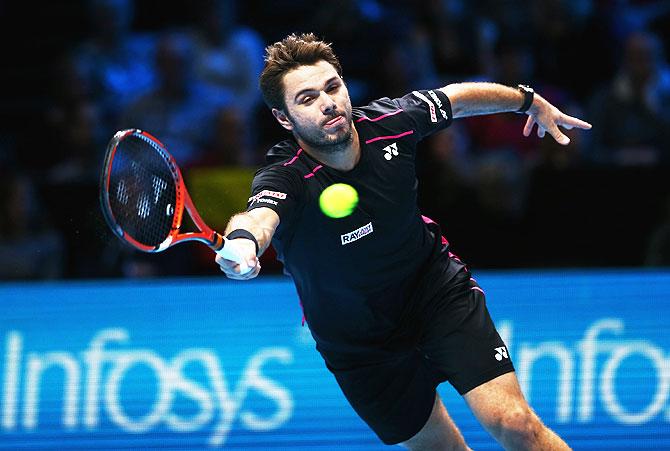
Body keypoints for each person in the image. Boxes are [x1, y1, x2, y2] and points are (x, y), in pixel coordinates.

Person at [215, 33, 591, 450]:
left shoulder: (390, 123)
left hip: (434, 293)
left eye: (332, 87)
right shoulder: (285, 175)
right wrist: (245, 243)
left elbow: (457, 98)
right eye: (306, 99)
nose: (327, 103)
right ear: (284, 118)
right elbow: (258, 217)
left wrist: (527, 100)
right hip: (358, 342)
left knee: (515, 423)